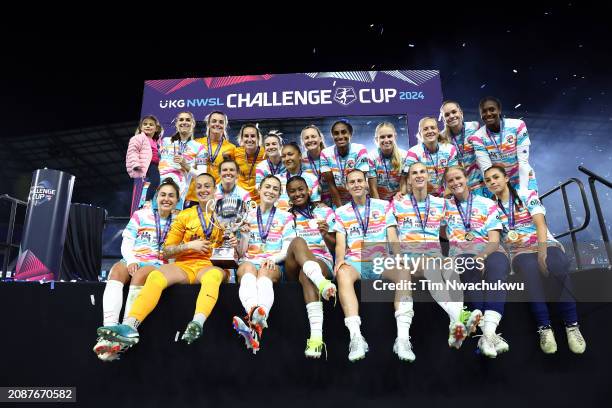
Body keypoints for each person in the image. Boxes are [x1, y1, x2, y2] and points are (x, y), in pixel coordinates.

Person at [96, 173, 236, 353]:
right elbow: (168, 250)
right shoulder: (184, 216)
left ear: (215, 189)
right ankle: (129, 326)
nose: (203, 189)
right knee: (155, 276)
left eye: (207, 186)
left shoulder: (227, 214)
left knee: (213, 277)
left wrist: (236, 240)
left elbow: (236, 251)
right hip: (183, 265)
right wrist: (189, 245)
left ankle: (197, 323)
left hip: (209, 265)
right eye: (199, 186)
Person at [484, 165, 586, 354]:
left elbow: (540, 224)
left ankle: (572, 325)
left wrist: (542, 252)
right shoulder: (490, 207)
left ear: (506, 178)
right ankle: (544, 327)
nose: (492, 182)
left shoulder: (526, 194)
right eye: (488, 180)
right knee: (530, 270)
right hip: (519, 251)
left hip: (544, 243)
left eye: (496, 177)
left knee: (558, 264)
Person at [393, 163, 482, 356]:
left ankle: (454, 326)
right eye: (414, 173)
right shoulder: (397, 203)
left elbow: (459, 223)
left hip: (435, 255)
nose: (418, 175)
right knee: (433, 266)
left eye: (422, 172)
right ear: (408, 180)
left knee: (450, 265)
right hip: (411, 258)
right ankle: (460, 315)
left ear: (428, 176)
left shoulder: (441, 203)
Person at [93, 178, 179, 361]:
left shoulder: (179, 221)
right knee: (116, 270)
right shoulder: (141, 215)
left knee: (140, 275)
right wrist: (131, 259)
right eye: (163, 194)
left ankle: (125, 334)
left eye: (171, 196)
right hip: (134, 258)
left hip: (157, 264)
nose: (166, 199)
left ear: (177, 200)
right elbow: (127, 241)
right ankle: (109, 331)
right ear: (156, 197)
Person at [443, 166, 511, 358]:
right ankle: (488, 336)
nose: (455, 183)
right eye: (450, 181)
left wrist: (481, 257)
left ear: (466, 178)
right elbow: (436, 228)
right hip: (461, 254)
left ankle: (487, 334)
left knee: (497, 267)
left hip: (490, 250)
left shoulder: (486, 204)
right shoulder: (445, 207)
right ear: (446, 185)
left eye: (458, 178)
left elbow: (494, 240)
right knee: (468, 265)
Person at [333, 169, 399, 362]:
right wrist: (339, 261)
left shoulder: (384, 205)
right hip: (356, 261)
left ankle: (402, 338)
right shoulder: (341, 212)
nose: (356, 185)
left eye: (359, 181)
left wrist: (399, 257)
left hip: (380, 260)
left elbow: (392, 235)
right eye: (352, 182)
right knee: (342, 273)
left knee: (403, 272)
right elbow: (340, 243)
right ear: (347, 187)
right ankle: (356, 337)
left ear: (366, 183)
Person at [232, 175, 296, 353]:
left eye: (275, 189)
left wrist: (273, 259)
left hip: (272, 263)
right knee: (247, 267)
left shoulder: (286, 217)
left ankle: (253, 319)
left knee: (264, 271)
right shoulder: (246, 215)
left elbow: (287, 249)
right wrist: (243, 235)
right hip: (249, 261)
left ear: (279, 194)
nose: (271, 191)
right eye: (267, 187)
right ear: (259, 189)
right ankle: (256, 318)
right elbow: (241, 252)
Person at [285, 175, 337, 358]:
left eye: (301, 189)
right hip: (292, 262)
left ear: (309, 190)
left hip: (320, 260)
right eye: (292, 191)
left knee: (307, 275)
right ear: (287, 194)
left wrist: (325, 234)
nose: (297, 193)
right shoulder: (285, 215)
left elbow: (336, 246)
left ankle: (316, 338)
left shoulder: (325, 212)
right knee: (298, 241)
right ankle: (322, 284)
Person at [470, 97, 538, 193]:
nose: (488, 113)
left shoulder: (517, 125)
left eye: (492, 109)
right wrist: (502, 193)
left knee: (531, 206)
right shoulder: (477, 137)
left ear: (499, 110)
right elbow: (488, 170)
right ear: (480, 114)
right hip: (498, 183)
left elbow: (523, 162)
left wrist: (523, 190)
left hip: (523, 177)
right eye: (484, 111)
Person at [157, 111, 208, 209]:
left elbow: (202, 176)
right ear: (176, 123)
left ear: (193, 124)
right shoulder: (164, 141)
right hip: (156, 190)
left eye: (188, 120)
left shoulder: (200, 148)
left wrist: (185, 165)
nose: (184, 122)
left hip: (177, 196)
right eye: (181, 120)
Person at [185, 111, 236, 206]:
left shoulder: (231, 148)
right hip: (194, 196)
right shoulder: (196, 143)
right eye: (214, 121)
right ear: (208, 123)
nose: (217, 124)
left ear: (225, 125)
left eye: (221, 122)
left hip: (217, 196)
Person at [320, 119, 374, 208]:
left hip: (359, 198)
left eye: (344, 132)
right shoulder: (325, 153)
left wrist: (354, 209)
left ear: (350, 134)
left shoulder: (360, 149)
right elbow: (331, 185)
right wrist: (341, 210)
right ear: (332, 136)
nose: (340, 136)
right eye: (336, 133)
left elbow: (359, 180)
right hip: (338, 201)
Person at [400, 116, 458, 197]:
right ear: (420, 134)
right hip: (421, 196)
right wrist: (402, 194)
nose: (430, 131)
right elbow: (404, 177)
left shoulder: (450, 149)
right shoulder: (413, 152)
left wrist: (445, 198)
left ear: (438, 131)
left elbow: (453, 175)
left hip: (445, 195)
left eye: (432, 128)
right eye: (425, 129)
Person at [439, 101, 487, 196]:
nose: (451, 116)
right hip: (460, 188)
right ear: (444, 119)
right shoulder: (442, 137)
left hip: (481, 184)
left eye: (454, 112)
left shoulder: (474, 126)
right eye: (447, 115)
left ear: (461, 112)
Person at [126, 115, 164, 215]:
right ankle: (147, 202)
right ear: (141, 127)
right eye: (145, 124)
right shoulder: (138, 138)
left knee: (155, 183)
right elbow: (132, 151)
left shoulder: (156, 141)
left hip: (155, 165)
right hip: (146, 164)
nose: (148, 126)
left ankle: (149, 203)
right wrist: (135, 164)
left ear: (156, 129)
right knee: (156, 181)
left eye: (151, 125)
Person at [275, 142, 320, 211]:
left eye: (290, 154)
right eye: (283, 156)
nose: (287, 158)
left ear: (300, 156)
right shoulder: (276, 180)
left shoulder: (312, 178)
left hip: (304, 219)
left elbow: (315, 206)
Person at [368, 122, 406, 201]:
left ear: (395, 137)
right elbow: (373, 188)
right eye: (382, 137)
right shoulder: (371, 158)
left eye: (389, 136)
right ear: (376, 139)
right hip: (379, 199)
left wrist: (400, 197)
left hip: (398, 199)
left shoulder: (404, 156)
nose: (386, 140)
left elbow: (404, 183)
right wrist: (379, 206)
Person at [234, 123, 266, 203]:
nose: (249, 139)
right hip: (240, 199)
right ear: (241, 138)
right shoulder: (235, 152)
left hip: (260, 199)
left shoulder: (265, 153)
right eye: (246, 136)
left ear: (258, 138)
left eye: (253, 136)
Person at [300, 125, 331, 206]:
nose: (310, 140)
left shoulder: (330, 156)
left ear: (320, 139)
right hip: (312, 203)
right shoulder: (301, 160)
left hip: (332, 200)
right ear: (303, 141)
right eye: (306, 138)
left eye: (313, 136)